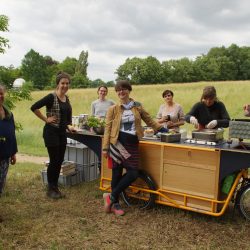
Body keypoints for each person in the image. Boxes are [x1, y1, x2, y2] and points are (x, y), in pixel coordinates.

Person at [102, 80, 168, 216]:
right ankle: (115, 204)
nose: (121, 92)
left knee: (133, 173)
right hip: (118, 142)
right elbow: (107, 128)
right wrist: (105, 147)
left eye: (124, 89)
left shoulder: (137, 106)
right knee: (116, 173)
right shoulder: (113, 109)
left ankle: (111, 196)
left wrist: (161, 129)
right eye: (118, 90)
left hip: (132, 143)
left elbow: (148, 119)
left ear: (129, 90)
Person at [31, 72, 75, 199]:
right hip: (51, 133)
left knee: (59, 160)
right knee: (54, 161)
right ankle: (51, 189)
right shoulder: (51, 97)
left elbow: (66, 118)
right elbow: (34, 107)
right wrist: (46, 119)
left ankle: (55, 187)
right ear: (58, 84)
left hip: (62, 133)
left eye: (67, 83)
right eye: (63, 83)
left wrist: (69, 126)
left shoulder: (67, 98)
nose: (65, 85)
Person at [0, 84, 17, 197]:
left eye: (1, 93)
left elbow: (12, 134)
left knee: (1, 183)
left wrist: (13, 153)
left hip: (5, 155)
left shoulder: (9, 114)